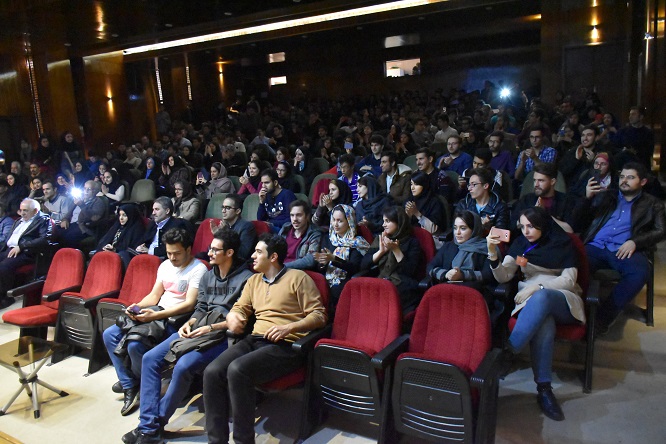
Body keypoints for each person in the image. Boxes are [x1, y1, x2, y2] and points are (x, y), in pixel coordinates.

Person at [121, 229, 253, 444]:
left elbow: (243, 320)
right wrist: (189, 323)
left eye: (215, 249)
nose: (209, 252)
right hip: (199, 328)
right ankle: (149, 426)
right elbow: (200, 307)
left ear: (229, 253)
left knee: (183, 366)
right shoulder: (209, 275)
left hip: (223, 335)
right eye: (210, 248)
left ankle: (152, 428)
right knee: (150, 358)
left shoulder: (247, 279)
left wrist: (210, 328)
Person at [203, 233, 327, 444]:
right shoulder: (253, 281)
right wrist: (234, 316)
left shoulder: (298, 278)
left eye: (258, 252)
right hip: (255, 339)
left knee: (237, 370)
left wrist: (290, 327)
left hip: (287, 346)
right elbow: (240, 307)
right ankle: (216, 440)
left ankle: (243, 441)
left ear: (273, 257)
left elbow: (319, 315)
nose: (252, 256)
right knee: (212, 372)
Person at [489, 207, 584, 421]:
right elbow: (504, 276)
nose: (526, 231)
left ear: (543, 225)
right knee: (545, 322)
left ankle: (509, 352)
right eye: (522, 226)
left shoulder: (563, 243)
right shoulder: (521, 245)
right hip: (532, 303)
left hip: (562, 298)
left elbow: (569, 280)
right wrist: (493, 255)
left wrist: (537, 287)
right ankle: (544, 390)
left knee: (543, 298)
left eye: (531, 226)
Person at [103, 228, 207, 417]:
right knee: (110, 334)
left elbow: (189, 304)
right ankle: (130, 384)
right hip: (156, 314)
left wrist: (155, 316)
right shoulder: (165, 265)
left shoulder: (198, 269)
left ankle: (141, 384)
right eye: (169, 253)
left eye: (177, 253)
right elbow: (154, 295)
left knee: (135, 345)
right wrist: (137, 306)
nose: (172, 258)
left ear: (188, 249)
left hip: (174, 320)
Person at [572, 162, 665, 335]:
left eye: (630, 177)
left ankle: (602, 318)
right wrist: (587, 199)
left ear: (643, 182)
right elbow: (577, 222)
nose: (624, 181)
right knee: (570, 261)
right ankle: (575, 312)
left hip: (624, 249)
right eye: (622, 177)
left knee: (639, 272)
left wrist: (635, 242)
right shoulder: (607, 196)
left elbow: (661, 231)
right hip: (595, 246)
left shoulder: (653, 204)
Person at [361, 206, 422, 313]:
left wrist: (396, 250)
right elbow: (363, 265)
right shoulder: (381, 239)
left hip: (403, 283)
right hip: (383, 279)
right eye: (383, 221)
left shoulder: (412, 242)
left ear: (399, 222)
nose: (383, 225)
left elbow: (409, 272)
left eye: (387, 221)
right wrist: (381, 252)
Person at [427, 210, 496, 305]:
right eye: (455, 228)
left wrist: (463, 275)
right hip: (447, 292)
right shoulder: (448, 246)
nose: (457, 233)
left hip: (474, 295)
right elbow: (430, 267)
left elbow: (488, 275)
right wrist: (446, 274)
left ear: (474, 229)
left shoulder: (487, 247)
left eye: (463, 228)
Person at [314, 204, 370, 311]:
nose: (335, 224)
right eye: (333, 220)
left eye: (340, 221)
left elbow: (355, 268)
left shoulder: (357, 242)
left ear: (349, 222)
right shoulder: (328, 238)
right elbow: (320, 266)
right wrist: (323, 263)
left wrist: (334, 259)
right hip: (327, 278)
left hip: (345, 281)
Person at [0, 198, 51, 308]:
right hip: (9, 249)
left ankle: (5, 298)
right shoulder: (19, 221)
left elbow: (45, 239)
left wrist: (22, 246)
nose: (22, 213)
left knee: (3, 267)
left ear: (35, 211)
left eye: (25, 210)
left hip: (26, 251)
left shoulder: (43, 220)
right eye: (21, 210)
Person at [125, 197, 191, 264]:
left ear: (167, 211)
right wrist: (140, 247)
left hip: (163, 259)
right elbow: (144, 239)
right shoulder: (153, 224)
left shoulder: (177, 225)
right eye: (153, 210)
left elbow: (171, 248)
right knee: (125, 254)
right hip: (146, 254)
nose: (153, 213)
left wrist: (149, 251)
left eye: (157, 209)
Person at [511, 163, 570, 234]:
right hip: (527, 239)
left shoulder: (565, 200)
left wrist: (544, 214)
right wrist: (531, 215)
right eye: (534, 180)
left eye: (541, 180)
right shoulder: (527, 199)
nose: (536, 184)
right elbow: (513, 225)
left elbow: (569, 229)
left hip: (554, 239)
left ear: (552, 181)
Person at [455, 167, 509, 232]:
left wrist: (488, 228)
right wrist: (479, 227)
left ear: (485, 186)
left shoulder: (500, 207)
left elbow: (501, 234)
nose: (469, 188)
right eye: (469, 185)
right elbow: (456, 231)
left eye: (473, 184)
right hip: (467, 238)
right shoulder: (463, 205)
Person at [56, 180, 106, 249]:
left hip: (84, 227)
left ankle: (71, 254)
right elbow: (69, 212)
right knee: (56, 233)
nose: (86, 191)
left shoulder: (98, 202)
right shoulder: (80, 198)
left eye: (89, 189)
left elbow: (94, 218)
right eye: (85, 188)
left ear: (95, 191)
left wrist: (82, 205)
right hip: (72, 224)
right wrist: (65, 219)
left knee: (68, 237)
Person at [209, 194, 257, 262]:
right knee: (201, 256)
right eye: (222, 207)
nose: (223, 211)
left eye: (227, 208)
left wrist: (224, 234)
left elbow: (242, 254)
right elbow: (212, 250)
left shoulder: (247, 226)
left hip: (237, 264)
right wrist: (218, 235)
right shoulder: (225, 225)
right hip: (222, 260)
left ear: (238, 211)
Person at [404, 172, 447, 245]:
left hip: (429, 239)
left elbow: (434, 230)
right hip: (411, 237)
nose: (412, 188)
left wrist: (417, 214)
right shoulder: (409, 200)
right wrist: (408, 216)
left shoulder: (434, 202)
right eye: (411, 184)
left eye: (416, 184)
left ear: (424, 185)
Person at [279, 200, 322, 270]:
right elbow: (273, 249)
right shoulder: (285, 229)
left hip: (298, 271)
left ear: (307, 216)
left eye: (299, 215)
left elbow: (310, 260)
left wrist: (282, 266)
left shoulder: (314, 234)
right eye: (292, 215)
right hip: (279, 269)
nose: (295, 219)